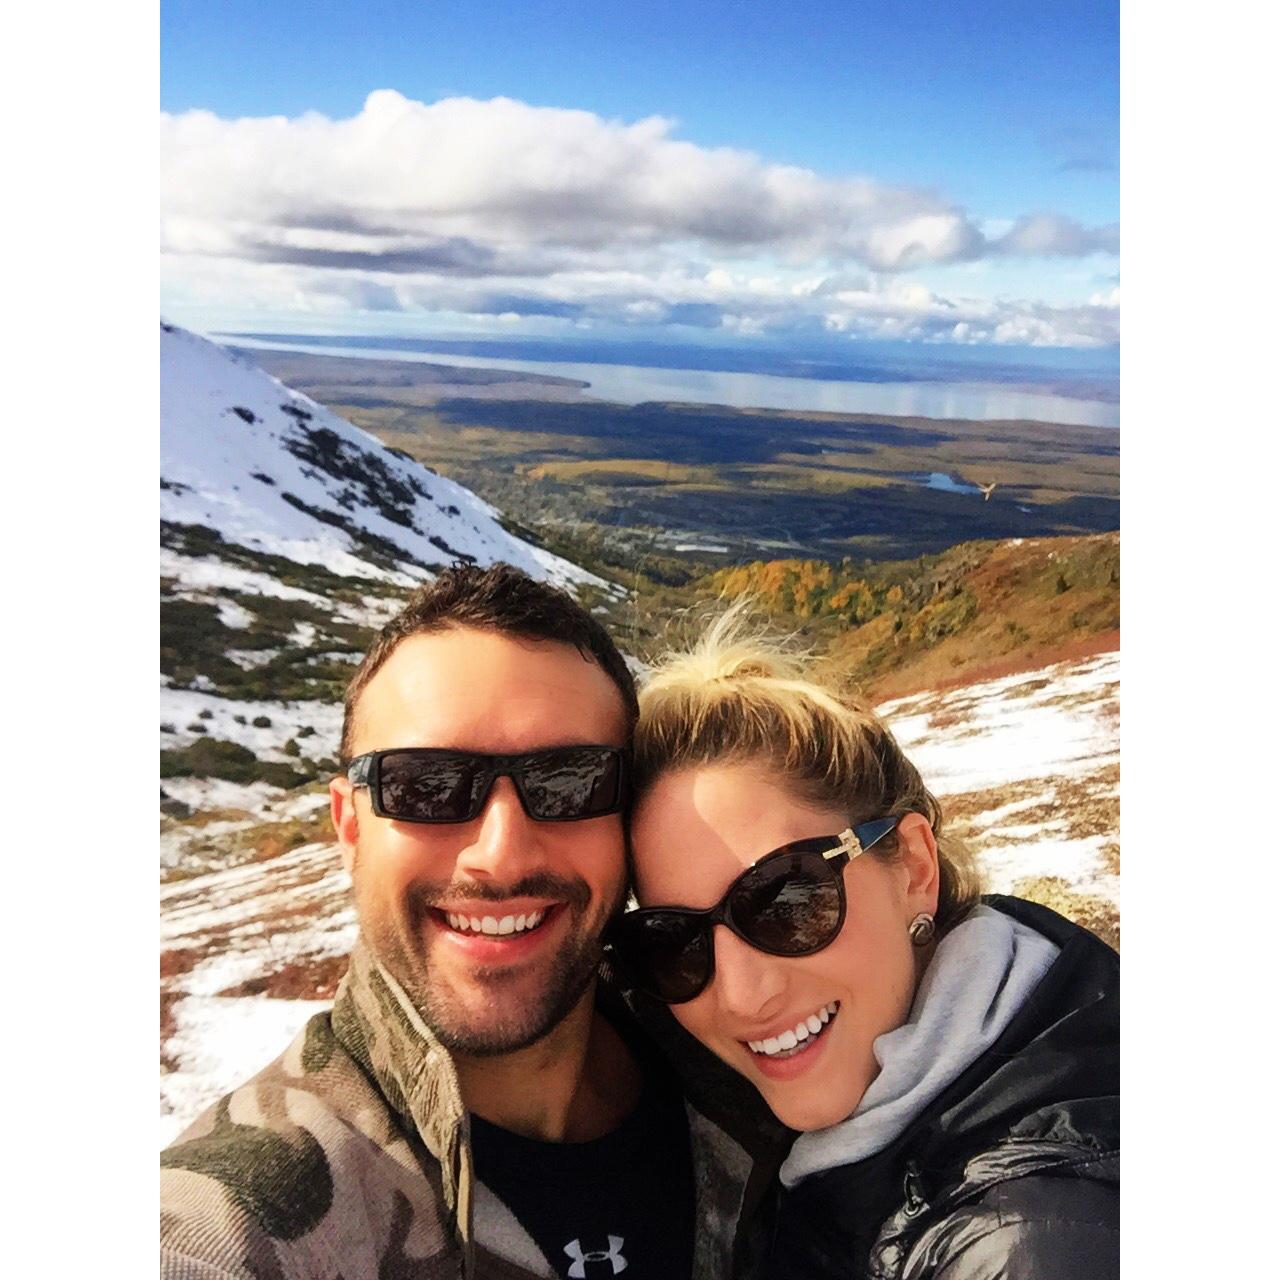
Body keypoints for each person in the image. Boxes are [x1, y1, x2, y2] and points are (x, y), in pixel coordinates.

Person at [160, 565, 765, 1280]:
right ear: (350, 826)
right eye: (426, 784)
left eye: (570, 781)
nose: (501, 855)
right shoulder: (240, 1224)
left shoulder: (750, 1053)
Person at [609, 611, 1119, 1279]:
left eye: (786, 900)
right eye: (671, 940)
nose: (740, 994)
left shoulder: (1029, 1241)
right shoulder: (1030, 1008)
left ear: (912, 867)